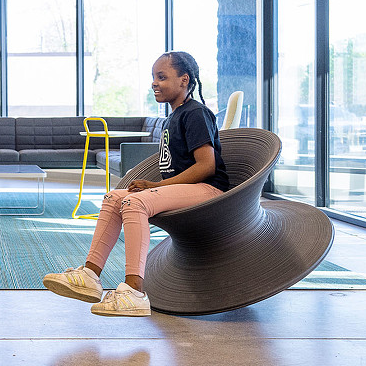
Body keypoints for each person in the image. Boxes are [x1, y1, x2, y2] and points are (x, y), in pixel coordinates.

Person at [43, 51, 228, 317]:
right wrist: (157, 186)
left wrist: (157, 186)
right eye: (153, 77)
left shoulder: (196, 114)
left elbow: (206, 166)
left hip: (209, 190)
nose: (154, 83)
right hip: (183, 189)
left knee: (133, 201)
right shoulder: (173, 117)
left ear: (184, 80)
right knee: (113, 197)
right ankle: (90, 275)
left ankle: (135, 291)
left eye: (162, 77)